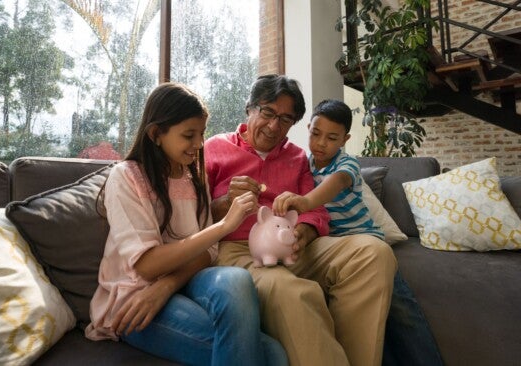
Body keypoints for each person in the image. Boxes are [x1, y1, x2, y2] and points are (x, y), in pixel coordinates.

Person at [85, 82, 288, 366]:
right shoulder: (127, 177)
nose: (199, 144)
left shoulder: (193, 178)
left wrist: (166, 286)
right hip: (133, 299)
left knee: (237, 279)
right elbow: (147, 265)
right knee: (273, 355)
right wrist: (224, 226)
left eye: (202, 133)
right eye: (189, 135)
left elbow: (209, 253)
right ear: (156, 134)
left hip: (183, 282)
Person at [204, 74, 397, 366]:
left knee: (373, 253)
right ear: (250, 108)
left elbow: (316, 211)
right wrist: (224, 202)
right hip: (240, 249)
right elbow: (192, 213)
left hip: (295, 246)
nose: (273, 126)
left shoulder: (297, 159)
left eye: (285, 119)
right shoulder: (215, 148)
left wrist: (305, 232)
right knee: (290, 291)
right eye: (268, 112)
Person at [272, 98, 444, 366]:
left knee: (401, 312)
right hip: (336, 249)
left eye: (331, 138)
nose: (321, 143)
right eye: (315, 134)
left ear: (344, 140)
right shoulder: (304, 164)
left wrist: (306, 201)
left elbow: (336, 183)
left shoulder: (346, 164)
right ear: (308, 128)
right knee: (373, 321)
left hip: (366, 243)